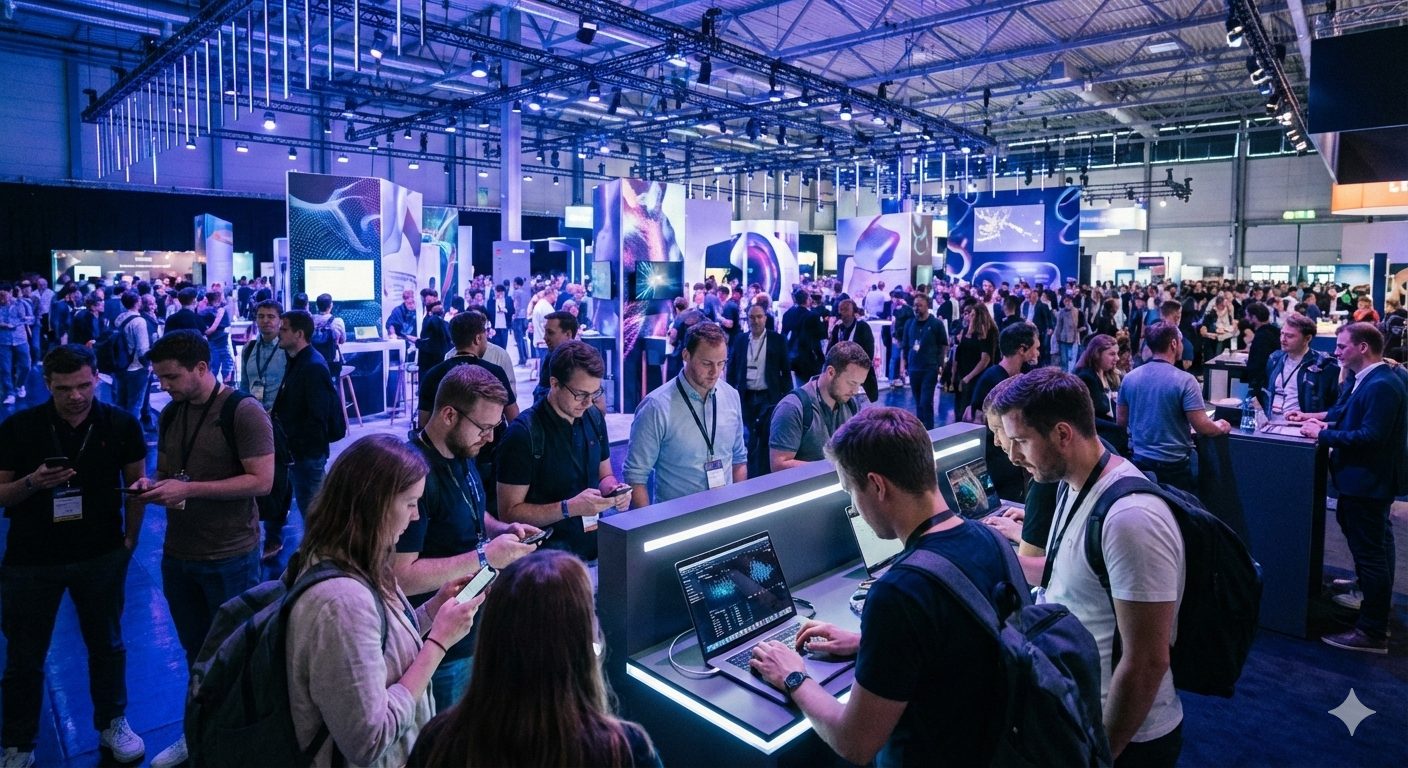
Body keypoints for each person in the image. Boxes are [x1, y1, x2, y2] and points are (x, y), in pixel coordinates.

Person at [749, 407, 1009, 765]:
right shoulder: (990, 540)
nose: (855, 505)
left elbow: (854, 742)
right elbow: (957, 643)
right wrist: (868, 644)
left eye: (850, 492)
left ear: (877, 486)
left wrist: (792, 676)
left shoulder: (898, 593)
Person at [989, 367, 1185, 766]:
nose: (1012, 456)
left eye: (1021, 441)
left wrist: (1103, 754)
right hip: (1079, 719)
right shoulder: (1072, 485)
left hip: (1125, 738)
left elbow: (1147, 662)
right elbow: (1068, 576)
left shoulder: (1131, 519)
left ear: (1063, 434)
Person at [285, 435, 484, 767]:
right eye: (410, 503)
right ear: (373, 505)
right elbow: (369, 740)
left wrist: (432, 610)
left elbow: (379, 646)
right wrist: (439, 642)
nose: (416, 516)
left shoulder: (353, 557)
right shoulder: (341, 604)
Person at [0, 346, 148, 768]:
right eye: (64, 388)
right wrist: (33, 482)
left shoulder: (121, 424)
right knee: (24, 656)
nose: (76, 396)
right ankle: (18, 741)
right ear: (47, 384)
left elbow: (136, 487)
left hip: (100, 553)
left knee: (108, 645)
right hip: (31, 560)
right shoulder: (20, 427)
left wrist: (129, 543)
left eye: (84, 385)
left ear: (97, 378)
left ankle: (112, 722)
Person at [135, 330, 275, 768]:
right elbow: (169, 474)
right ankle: (198, 731)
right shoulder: (171, 413)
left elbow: (262, 481)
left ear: (201, 368)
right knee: (195, 653)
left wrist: (189, 489)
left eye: (172, 377)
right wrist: (154, 486)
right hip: (179, 554)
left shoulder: (243, 412)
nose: (165, 386)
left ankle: (239, 741)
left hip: (230, 556)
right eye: (160, 378)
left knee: (237, 657)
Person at [407, 550, 660, 767]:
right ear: (582, 638)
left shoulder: (438, 741)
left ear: (491, 634)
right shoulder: (626, 750)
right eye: (591, 612)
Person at [394, 365, 539, 709]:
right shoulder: (412, 475)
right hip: (437, 645)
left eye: (494, 428)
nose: (489, 438)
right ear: (449, 415)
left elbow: (472, 513)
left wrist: (501, 530)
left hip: (473, 627)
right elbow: (400, 576)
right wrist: (486, 556)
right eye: (483, 428)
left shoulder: (462, 451)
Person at [1289, 323, 1406, 654]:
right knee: (1375, 549)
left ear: (1363, 347)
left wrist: (1323, 434)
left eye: (1342, 346)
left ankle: (1372, 631)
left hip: (1368, 482)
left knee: (1372, 555)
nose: (1337, 351)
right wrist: (1319, 422)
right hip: (1365, 481)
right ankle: (1373, 612)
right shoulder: (1370, 379)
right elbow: (1352, 418)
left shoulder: (1382, 385)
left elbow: (1371, 437)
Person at [498, 342, 628, 562]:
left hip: (593, 547)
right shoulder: (523, 433)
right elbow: (508, 513)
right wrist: (569, 508)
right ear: (554, 383)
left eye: (595, 393)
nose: (588, 402)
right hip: (544, 562)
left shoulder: (594, 417)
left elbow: (604, 474)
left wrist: (614, 491)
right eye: (580, 394)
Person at [624, 322, 747, 507]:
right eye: (707, 363)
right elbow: (635, 476)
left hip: (725, 514)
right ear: (686, 355)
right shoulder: (656, 407)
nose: (715, 372)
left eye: (721, 363)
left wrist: (739, 510)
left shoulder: (731, 396)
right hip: (676, 517)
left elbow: (739, 459)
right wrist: (648, 523)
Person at [1116, 323, 1230, 494]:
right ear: (1174, 344)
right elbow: (1202, 426)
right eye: (1181, 341)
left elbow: (1121, 421)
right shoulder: (1185, 380)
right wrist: (1220, 426)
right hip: (1175, 467)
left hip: (1140, 463)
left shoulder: (1130, 378)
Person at [272, 310, 339, 535]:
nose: (279, 333)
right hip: (300, 453)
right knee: (310, 508)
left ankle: (321, 551)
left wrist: (299, 447)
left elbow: (318, 416)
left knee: (316, 512)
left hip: (308, 454)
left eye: (284, 329)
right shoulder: (298, 361)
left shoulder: (312, 366)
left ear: (299, 334)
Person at [239, 300, 292, 559]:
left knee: (278, 478)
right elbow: (244, 384)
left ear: (280, 320)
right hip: (253, 420)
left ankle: (274, 534)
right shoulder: (249, 349)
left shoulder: (286, 350)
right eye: (261, 316)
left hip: (279, 421)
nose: (266, 321)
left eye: (271, 316)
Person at [769, 341, 872, 472]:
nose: (855, 391)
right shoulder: (792, 408)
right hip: (805, 485)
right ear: (831, 372)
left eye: (859, 384)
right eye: (852, 383)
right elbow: (778, 465)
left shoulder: (851, 405)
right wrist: (836, 467)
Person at [726, 304, 789, 450]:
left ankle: (762, 460)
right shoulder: (740, 340)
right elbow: (732, 368)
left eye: (759, 317)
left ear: (765, 318)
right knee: (747, 433)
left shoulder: (777, 340)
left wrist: (786, 397)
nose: (756, 321)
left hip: (768, 395)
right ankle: (750, 460)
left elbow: (785, 371)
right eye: (752, 317)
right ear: (747, 319)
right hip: (746, 395)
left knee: (766, 432)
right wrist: (729, 392)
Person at [1258, 313, 1339, 417]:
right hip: (1272, 420)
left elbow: (1334, 404)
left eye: (1289, 336)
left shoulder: (1323, 365)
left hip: (1302, 422)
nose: (1283, 339)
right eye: (1282, 333)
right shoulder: (1275, 358)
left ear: (1307, 339)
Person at [904, 293, 949, 430]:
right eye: (915, 305)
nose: (916, 308)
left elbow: (943, 345)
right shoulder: (909, 324)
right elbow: (905, 346)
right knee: (918, 402)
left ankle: (929, 430)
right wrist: (903, 365)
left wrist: (941, 364)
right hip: (914, 368)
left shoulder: (936, 324)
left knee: (926, 401)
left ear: (927, 306)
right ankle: (920, 430)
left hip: (930, 368)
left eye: (920, 305)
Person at [109, 292, 151, 421]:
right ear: (137, 302)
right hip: (136, 367)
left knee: (121, 402)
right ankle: (132, 431)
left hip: (121, 364)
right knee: (135, 404)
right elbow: (142, 348)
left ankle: (119, 429)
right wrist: (148, 365)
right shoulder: (139, 321)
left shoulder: (119, 318)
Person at [953, 302, 998, 420]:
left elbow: (985, 360)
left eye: (973, 315)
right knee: (960, 408)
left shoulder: (988, 333)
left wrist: (968, 377)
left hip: (977, 377)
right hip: (963, 373)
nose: (969, 317)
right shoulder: (966, 331)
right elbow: (959, 353)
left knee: (970, 410)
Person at [829, 299, 879, 403]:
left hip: (860, 375)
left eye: (846, 309)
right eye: (841, 309)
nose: (842, 312)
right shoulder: (837, 329)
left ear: (853, 312)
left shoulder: (863, 327)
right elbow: (830, 351)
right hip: (842, 375)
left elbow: (869, 353)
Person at [782, 289, 824, 387]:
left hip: (791, 355)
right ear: (807, 299)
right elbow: (820, 336)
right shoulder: (813, 316)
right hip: (809, 356)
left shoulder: (787, 314)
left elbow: (783, 334)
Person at [0, 284, 34, 406]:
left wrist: (19, 301)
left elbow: (31, 319)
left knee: (26, 365)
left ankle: (20, 385)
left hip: (20, 339)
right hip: (3, 340)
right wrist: (3, 324)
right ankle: (10, 393)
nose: (1, 298)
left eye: (3, 295)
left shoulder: (21, 303)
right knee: (5, 369)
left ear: (10, 292)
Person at [1241, 303, 1280, 394]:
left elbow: (1259, 363)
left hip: (1262, 384)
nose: (1246, 318)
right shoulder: (1274, 331)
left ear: (1254, 317)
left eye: (1248, 315)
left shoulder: (1261, 337)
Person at [200, 287, 234, 384]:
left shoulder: (203, 312)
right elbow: (214, 328)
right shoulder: (221, 311)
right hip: (222, 341)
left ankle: (210, 386)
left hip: (211, 341)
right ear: (219, 298)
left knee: (214, 365)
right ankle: (227, 386)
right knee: (227, 364)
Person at [511, 277, 531, 366]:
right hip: (524, 317)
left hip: (518, 317)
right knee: (523, 338)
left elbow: (517, 305)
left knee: (518, 339)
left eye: (514, 283)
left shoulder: (516, 292)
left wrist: (515, 315)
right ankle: (525, 356)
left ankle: (522, 359)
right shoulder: (525, 293)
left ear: (516, 283)